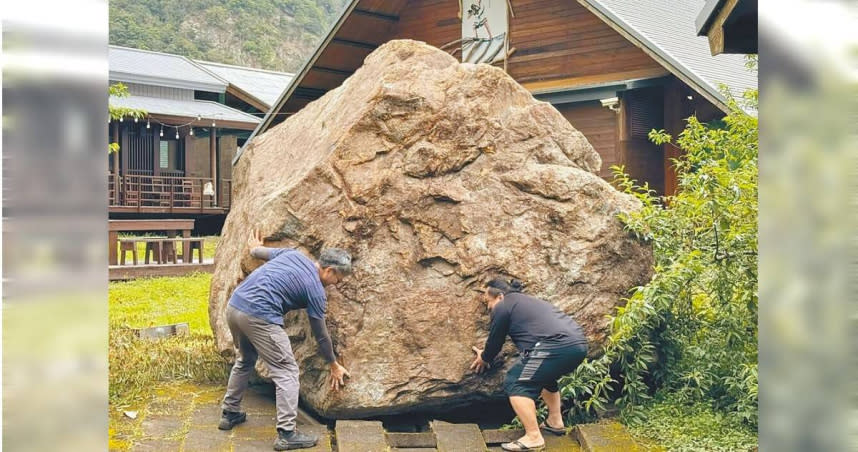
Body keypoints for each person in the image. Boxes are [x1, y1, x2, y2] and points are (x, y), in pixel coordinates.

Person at [219, 229, 352, 451]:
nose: (337, 283)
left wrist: (254, 248)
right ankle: (287, 434)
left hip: (235, 306)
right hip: (259, 316)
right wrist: (333, 364)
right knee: (287, 372)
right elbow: (320, 334)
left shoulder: (295, 255)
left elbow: (261, 253)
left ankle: (229, 413)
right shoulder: (316, 291)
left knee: (245, 359)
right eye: (338, 278)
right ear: (329, 270)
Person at [470, 278, 589, 452]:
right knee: (541, 376)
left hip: (554, 345)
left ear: (500, 296)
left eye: (488, 301)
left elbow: (496, 340)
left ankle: (533, 437)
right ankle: (555, 422)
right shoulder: (527, 301)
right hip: (577, 344)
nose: (488, 307)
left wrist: (485, 357)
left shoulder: (503, 306)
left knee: (516, 381)